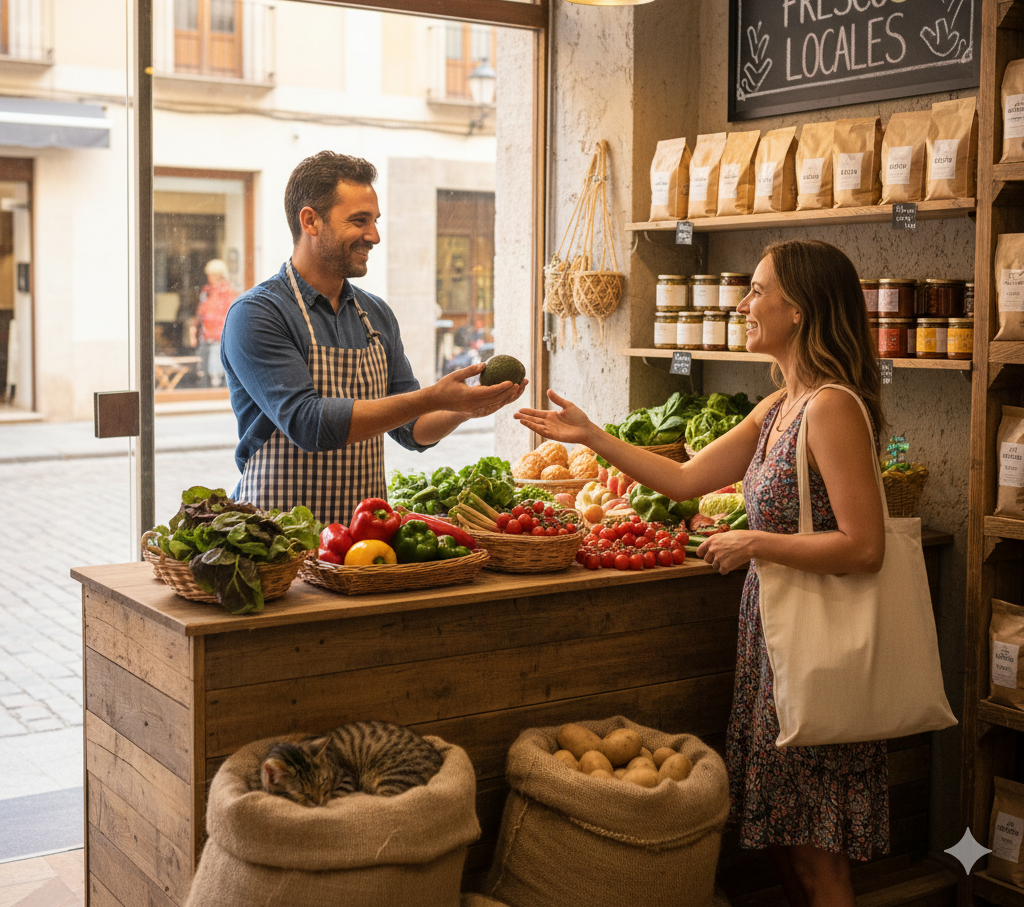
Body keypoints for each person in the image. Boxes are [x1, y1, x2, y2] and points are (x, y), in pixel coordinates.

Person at [515, 239, 887, 907]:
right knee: (782, 832)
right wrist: (593, 436)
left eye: (758, 291)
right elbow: (685, 480)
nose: (744, 304)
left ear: (798, 309)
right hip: (774, 638)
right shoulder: (778, 409)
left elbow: (864, 548)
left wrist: (756, 544)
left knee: (818, 856)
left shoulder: (830, 408)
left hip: (816, 647)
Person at [221, 151, 526, 526]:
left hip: (363, 543)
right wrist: (433, 396)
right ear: (310, 220)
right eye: (359, 221)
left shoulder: (376, 315)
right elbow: (308, 423)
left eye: (375, 221)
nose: (374, 236)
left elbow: (412, 429)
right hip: (277, 543)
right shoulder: (257, 314)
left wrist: (464, 408)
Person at [189, 258, 237, 388]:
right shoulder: (207, 291)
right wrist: (194, 327)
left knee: (216, 367)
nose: (209, 277)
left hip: (218, 334)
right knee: (204, 366)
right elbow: (201, 310)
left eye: (212, 274)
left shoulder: (226, 291)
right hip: (206, 333)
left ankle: (216, 389)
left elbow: (225, 313)